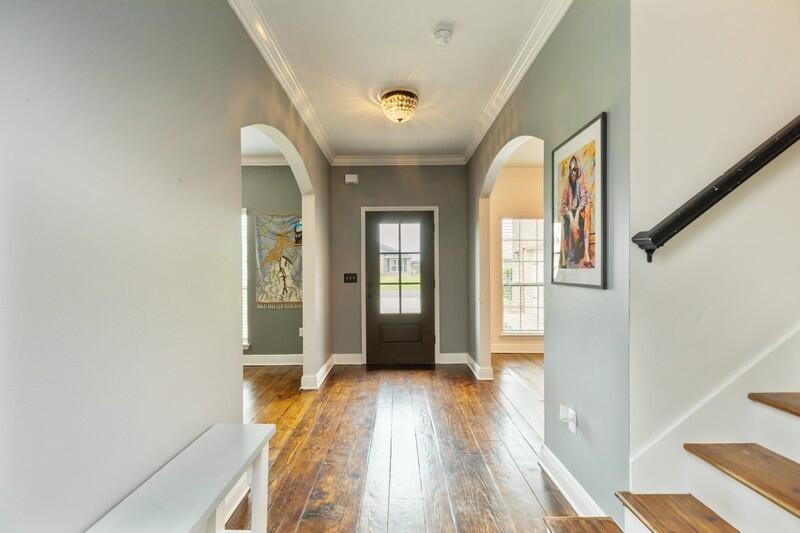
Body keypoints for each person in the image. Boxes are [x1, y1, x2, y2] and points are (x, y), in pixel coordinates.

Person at [560, 156, 593, 267]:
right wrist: (570, 214)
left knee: (588, 209)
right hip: (570, 215)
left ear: (578, 170)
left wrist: (578, 212)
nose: (572, 172)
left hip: (580, 215)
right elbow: (563, 205)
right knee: (567, 220)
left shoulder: (581, 182)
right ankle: (566, 256)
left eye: (575, 169)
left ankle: (586, 254)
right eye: (571, 169)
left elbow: (585, 198)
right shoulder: (567, 185)